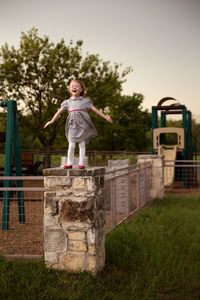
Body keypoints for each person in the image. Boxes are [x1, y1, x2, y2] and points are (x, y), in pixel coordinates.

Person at [44, 79, 113, 169]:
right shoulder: (67, 102)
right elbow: (59, 112)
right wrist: (52, 121)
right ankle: (69, 163)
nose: (74, 87)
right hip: (72, 125)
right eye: (72, 86)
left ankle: (81, 163)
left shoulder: (85, 101)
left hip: (83, 125)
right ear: (69, 89)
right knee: (71, 145)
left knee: (81, 144)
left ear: (81, 89)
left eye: (76, 86)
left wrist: (105, 116)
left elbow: (95, 110)